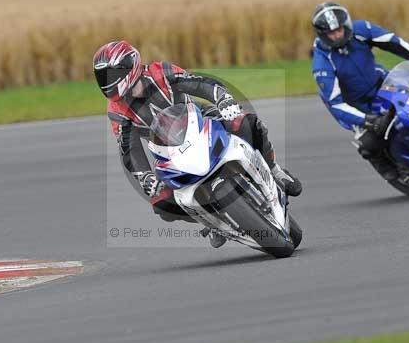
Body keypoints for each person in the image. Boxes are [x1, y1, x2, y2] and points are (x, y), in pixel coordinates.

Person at [95, 40, 301, 247]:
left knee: (247, 123)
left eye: (110, 76)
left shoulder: (161, 72)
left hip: (203, 120)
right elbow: (129, 148)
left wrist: (222, 98)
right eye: (102, 77)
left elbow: (199, 83)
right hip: (169, 150)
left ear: (130, 66)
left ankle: (274, 171)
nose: (106, 82)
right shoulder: (116, 110)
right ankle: (214, 221)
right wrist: (144, 176)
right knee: (161, 203)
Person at [310, 1, 409, 180]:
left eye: (340, 30)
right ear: (323, 35)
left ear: (346, 25)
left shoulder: (360, 30)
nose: (338, 35)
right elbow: (336, 105)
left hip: (383, 83)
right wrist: (367, 120)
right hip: (356, 105)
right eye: (332, 33)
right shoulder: (321, 64)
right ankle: (379, 159)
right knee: (369, 141)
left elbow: (395, 42)